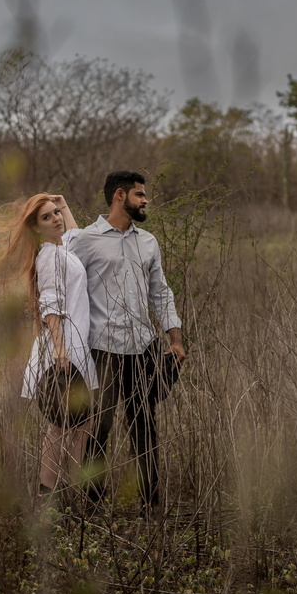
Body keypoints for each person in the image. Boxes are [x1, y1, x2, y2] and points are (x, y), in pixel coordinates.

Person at [68, 171, 185, 512]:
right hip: (102, 350)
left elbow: (161, 293)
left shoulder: (147, 242)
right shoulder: (85, 241)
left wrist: (174, 339)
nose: (145, 200)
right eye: (139, 195)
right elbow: (64, 286)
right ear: (119, 196)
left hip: (143, 349)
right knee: (98, 429)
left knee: (144, 427)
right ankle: (94, 505)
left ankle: (151, 505)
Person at [9, 194, 98, 499]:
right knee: (62, 425)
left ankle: (71, 491)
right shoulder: (50, 256)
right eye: (47, 217)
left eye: (57, 213)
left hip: (76, 344)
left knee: (81, 423)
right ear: (36, 228)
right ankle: (48, 495)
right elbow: (50, 305)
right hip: (64, 347)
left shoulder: (63, 250)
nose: (56, 219)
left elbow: (75, 237)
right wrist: (60, 350)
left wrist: (66, 206)